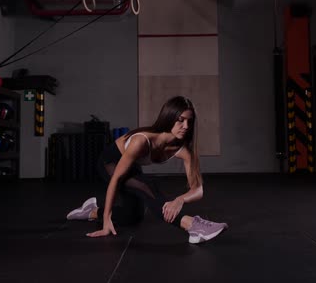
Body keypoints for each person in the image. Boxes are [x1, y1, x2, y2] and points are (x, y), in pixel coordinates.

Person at [66, 96, 228, 244]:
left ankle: (92, 211)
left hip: (132, 164)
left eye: (189, 121)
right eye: (180, 120)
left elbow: (198, 189)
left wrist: (179, 200)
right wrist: (107, 219)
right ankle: (192, 225)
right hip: (109, 162)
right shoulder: (141, 141)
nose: (185, 126)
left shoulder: (184, 150)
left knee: (133, 216)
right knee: (147, 186)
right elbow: (115, 179)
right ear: (169, 118)